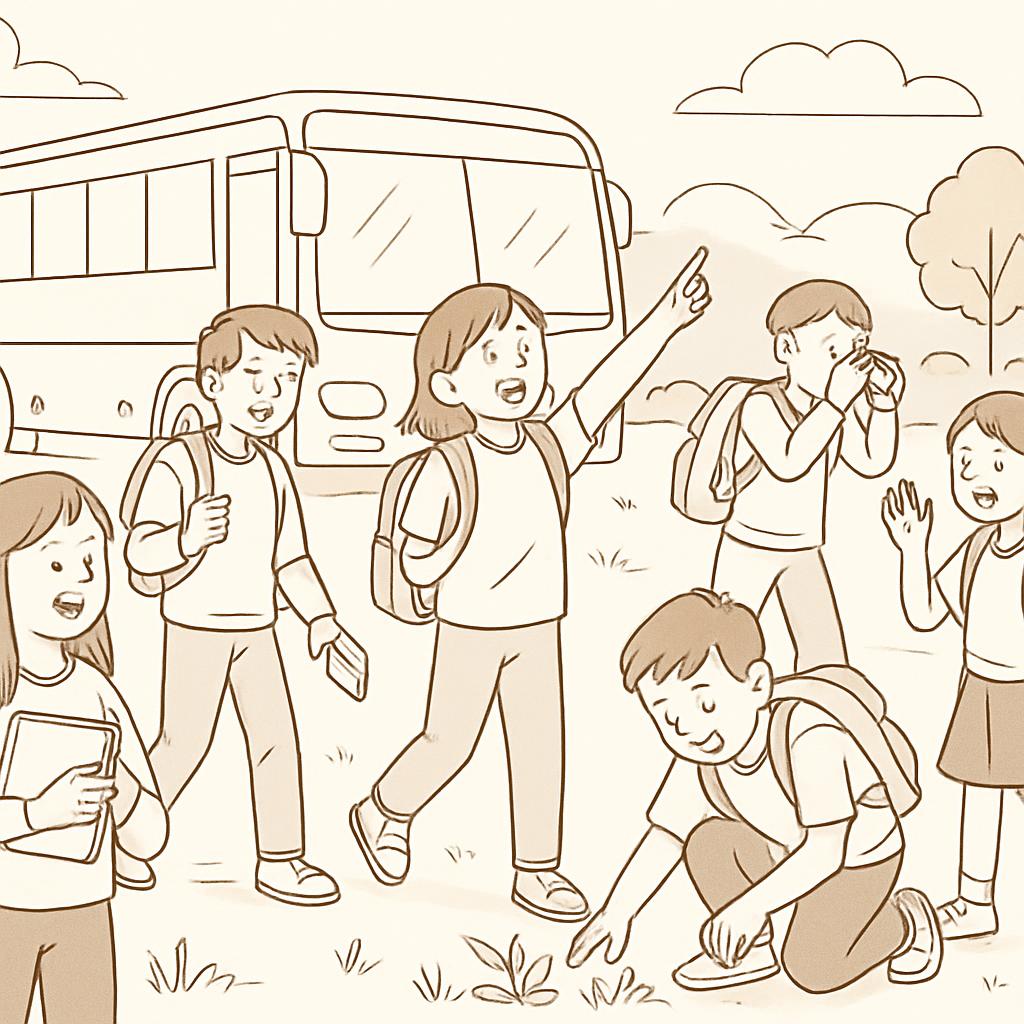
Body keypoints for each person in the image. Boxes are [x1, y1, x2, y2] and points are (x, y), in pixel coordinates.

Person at [351, 250, 713, 923]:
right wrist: (428, 568)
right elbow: (414, 559)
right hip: (471, 629)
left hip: (539, 624)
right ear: (448, 386)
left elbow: (604, 390)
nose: (516, 365)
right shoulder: (447, 464)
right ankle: (383, 810)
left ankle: (537, 870)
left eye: (527, 348)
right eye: (491, 355)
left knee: (542, 746)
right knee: (447, 743)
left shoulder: (547, 445)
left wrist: (665, 322)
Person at [568, 590, 942, 993]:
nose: (690, 729)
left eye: (706, 704)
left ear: (757, 685)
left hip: (857, 859)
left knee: (813, 968)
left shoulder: (810, 737)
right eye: (669, 717)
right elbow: (667, 835)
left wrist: (747, 907)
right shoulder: (701, 754)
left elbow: (825, 850)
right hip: (784, 849)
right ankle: (750, 951)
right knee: (706, 842)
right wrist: (619, 911)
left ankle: (905, 922)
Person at [122, 305, 351, 906]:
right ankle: (124, 835)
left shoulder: (274, 470)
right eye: (254, 375)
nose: (270, 394)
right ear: (212, 384)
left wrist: (321, 619)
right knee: (182, 745)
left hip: (259, 631)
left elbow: (291, 560)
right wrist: (185, 536)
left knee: (277, 739)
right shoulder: (180, 461)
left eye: (288, 379)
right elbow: (139, 551)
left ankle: (281, 859)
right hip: (195, 628)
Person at [0, 472, 167, 1024]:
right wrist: (36, 813)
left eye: (91, 561)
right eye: (54, 563)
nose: (79, 580)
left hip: (85, 913)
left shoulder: (98, 693)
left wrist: (123, 794)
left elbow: (151, 837)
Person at [882, 391, 1024, 940]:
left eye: (996, 462)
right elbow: (923, 613)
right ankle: (975, 901)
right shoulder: (974, 549)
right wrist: (912, 548)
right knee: (980, 794)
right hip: (982, 686)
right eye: (963, 463)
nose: (975, 476)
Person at [711, 280, 902, 670]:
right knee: (724, 650)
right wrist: (835, 403)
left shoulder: (831, 412)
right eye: (832, 350)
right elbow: (788, 463)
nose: (845, 366)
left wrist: (884, 406)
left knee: (826, 658)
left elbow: (871, 461)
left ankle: (819, 726)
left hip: (804, 550)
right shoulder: (761, 404)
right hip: (749, 547)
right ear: (786, 348)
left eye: (855, 352)